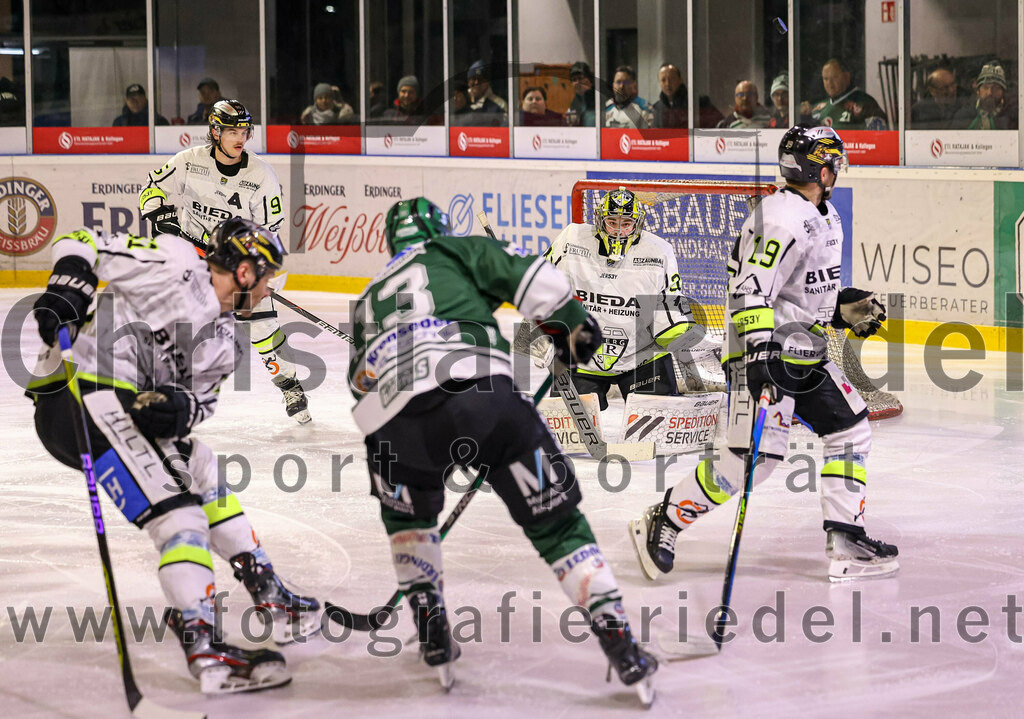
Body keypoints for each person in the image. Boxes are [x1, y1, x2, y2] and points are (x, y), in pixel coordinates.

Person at [347, 197, 657, 702]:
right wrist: (573, 329)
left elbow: (358, 387)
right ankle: (620, 643)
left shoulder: (365, 298)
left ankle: (430, 627)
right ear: (439, 229)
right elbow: (534, 280)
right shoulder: (455, 249)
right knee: (556, 525)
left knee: (408, 522)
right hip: (481, 399)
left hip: (392, 426)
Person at [28, 219, 322, 694]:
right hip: (77, 393)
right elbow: (83, 241)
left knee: (201, 469)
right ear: (245, 272)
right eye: (267, 279)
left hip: (120, 407)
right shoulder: (175, 262)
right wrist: (69, 283)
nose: (268, 292)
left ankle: (267, 591)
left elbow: (201, 403)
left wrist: (181, 409)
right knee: (179, 518)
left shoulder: (227, 341)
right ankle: (206, 650)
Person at [630, 124, 899, 584]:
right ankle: (666, 518)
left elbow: (798, 295)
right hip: (764, 354)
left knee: (850, 430)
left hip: (806, 351)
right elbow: (749, 293)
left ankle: (846, 537)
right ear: (821, 168)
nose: (839, 168)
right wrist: (761, 363)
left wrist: (843, 309)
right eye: (834, 160)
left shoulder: (822, 214)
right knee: (750, 462)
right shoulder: (779, 218)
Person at [138, 99, 312, 424]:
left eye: (244, 131)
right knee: (174, 325)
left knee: (262, 327)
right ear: (215, 132)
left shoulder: (261, 175)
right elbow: (150, 190)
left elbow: (270, 229)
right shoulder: (188, 162)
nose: (240, 138)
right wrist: (161, 214)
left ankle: (290, 384)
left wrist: (245, 257)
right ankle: (160, 390)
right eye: (232, 130)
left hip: (238, 265)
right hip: (194, 259)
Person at [543, 187, 694, 411]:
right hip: (583, 357)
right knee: (569, 431)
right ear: (600, 220)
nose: (618, 231)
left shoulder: (659, 252)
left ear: (637, 223)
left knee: (659, 427)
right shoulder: (571, 240)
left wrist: (681, 338)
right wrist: (536, 332)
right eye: (612, 222)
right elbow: (541, 285)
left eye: (626, 224)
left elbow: (669, 306)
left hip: (642, 357)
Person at [803, 58, 887, 130]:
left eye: (835, 77)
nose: (830, 84)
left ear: (847, 77)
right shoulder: (819, 108)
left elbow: (879, 139)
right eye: (826, 79)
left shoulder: (865, 103)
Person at [953, 62, 1018, 130]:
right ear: (978, 91)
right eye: (985, 87)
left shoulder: (1014, 116)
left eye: (996, 88)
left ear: (1003, 91)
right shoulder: (963, 115)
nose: (989, 92)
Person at [466, 60, 507, 126]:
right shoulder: (462, 101)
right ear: (468, 82)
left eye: (480, 79)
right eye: (473, 78)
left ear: (487, 82)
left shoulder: (500, 104)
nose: (476, 82)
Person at [652, 62, 687, 129]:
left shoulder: (696, 103)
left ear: (680, 80)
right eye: (663, 80)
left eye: (672, 79)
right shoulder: (656, 108)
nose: (667, 84)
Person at [567, 61, 597, 126]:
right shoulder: (572, 102)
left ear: (590, 80)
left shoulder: (599, 98)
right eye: (574, 80)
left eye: (580, 78)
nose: (577, 82)